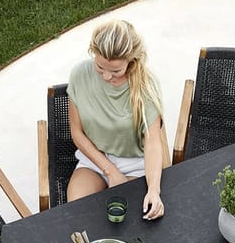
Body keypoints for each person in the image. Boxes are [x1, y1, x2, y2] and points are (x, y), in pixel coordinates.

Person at [66, 20, 166, 220]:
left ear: (131, 60)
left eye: (115, 71)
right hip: (94, 158)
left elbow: (153, 143)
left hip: (135, 163)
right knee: (77, 213)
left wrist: (154, 190)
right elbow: (77, 133)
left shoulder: (146, 86)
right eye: (100, 67)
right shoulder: (79, 75)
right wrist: (110, 171)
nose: (105, 76)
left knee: (126, 220)